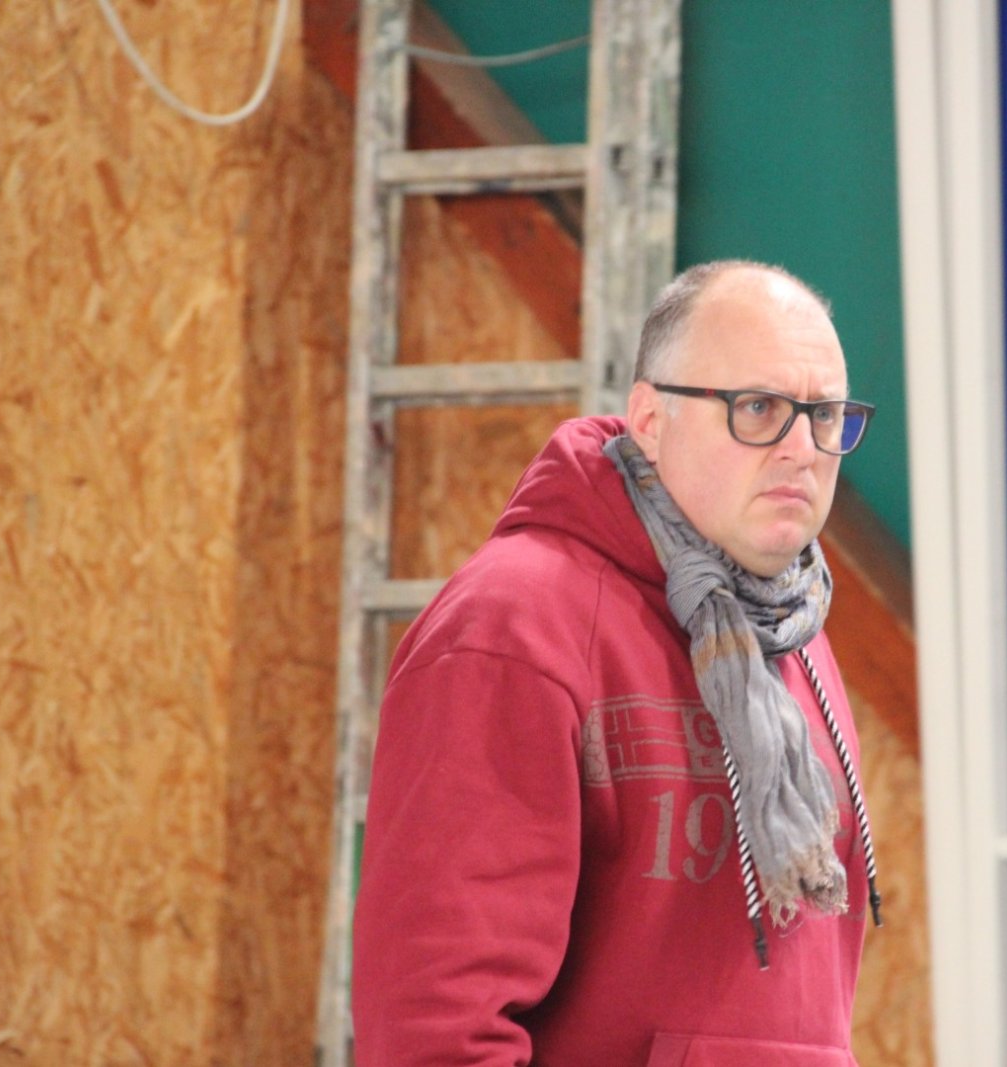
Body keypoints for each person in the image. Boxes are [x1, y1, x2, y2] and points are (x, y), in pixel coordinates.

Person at [352, 260, 883, 1066]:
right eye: (760, 408)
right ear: (650, 419)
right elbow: (434, 1026)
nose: (803, 449)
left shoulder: (794, 627)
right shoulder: (512, 625)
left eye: (826, 415)